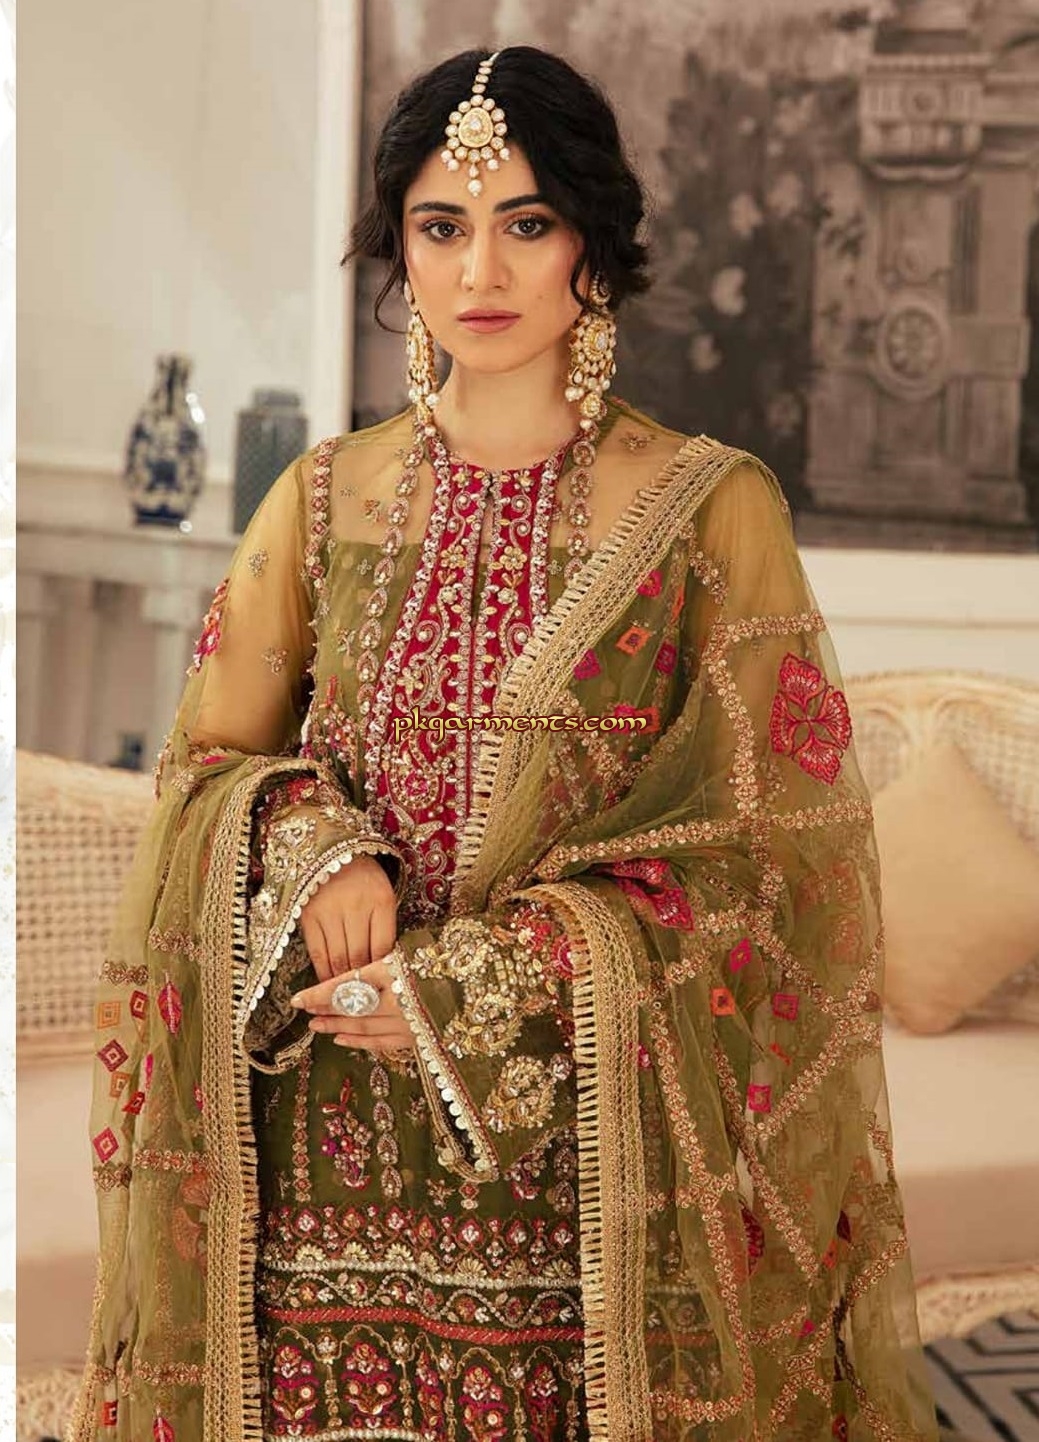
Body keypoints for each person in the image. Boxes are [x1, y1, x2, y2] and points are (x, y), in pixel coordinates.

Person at [69, 44, 939, 1442]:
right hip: (324, 1158)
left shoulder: (707, 514)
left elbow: (769, 869)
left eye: (525, 223)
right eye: (441, 226)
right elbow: (204, 769)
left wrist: (479, 986)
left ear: (592, 242)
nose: (481, 269)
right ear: (400, 252)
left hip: (578, 1178)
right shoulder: (325, 499)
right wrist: (317, 845)